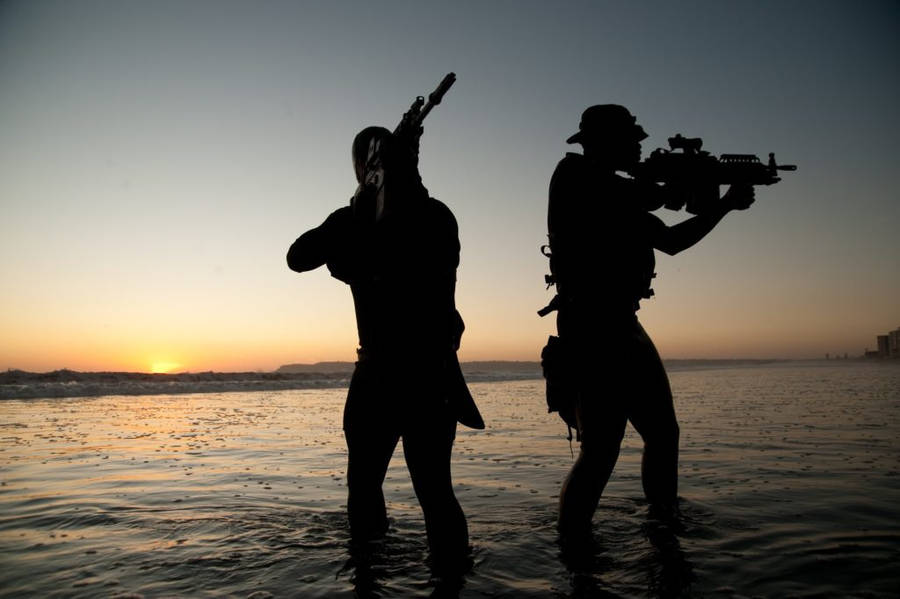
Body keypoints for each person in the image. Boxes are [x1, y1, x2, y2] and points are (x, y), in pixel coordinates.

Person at [546, 105, 754, 541]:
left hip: (622, 323)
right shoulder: (577, 179)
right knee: (601, 451)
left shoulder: (616, 192)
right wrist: (692, 187)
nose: (641, 146)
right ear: (604, 143)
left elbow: (672, 240)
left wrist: (722, 205)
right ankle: (572, 548)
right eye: (632, 140)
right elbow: (644, 201)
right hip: (594, 327)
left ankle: (662, 526)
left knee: (662, 433)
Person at [286, 126, 482, 573]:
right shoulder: (387, 216)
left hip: (407, 373)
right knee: (399, 489)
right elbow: (298, 257)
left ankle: (386, 578)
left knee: (417, 490)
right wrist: (361, 203)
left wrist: (362, 208)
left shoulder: (427, 217)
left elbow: (381, 256)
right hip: (406, 373)